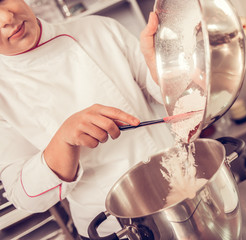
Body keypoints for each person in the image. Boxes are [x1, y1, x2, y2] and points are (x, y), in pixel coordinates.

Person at [0, 0, 174, 238]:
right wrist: (63, 141)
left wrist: (160, 68)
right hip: (115, 227)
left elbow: (168, 96)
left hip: (177, 188)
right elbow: (24, 196)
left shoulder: (98, 29)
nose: (6, 18)